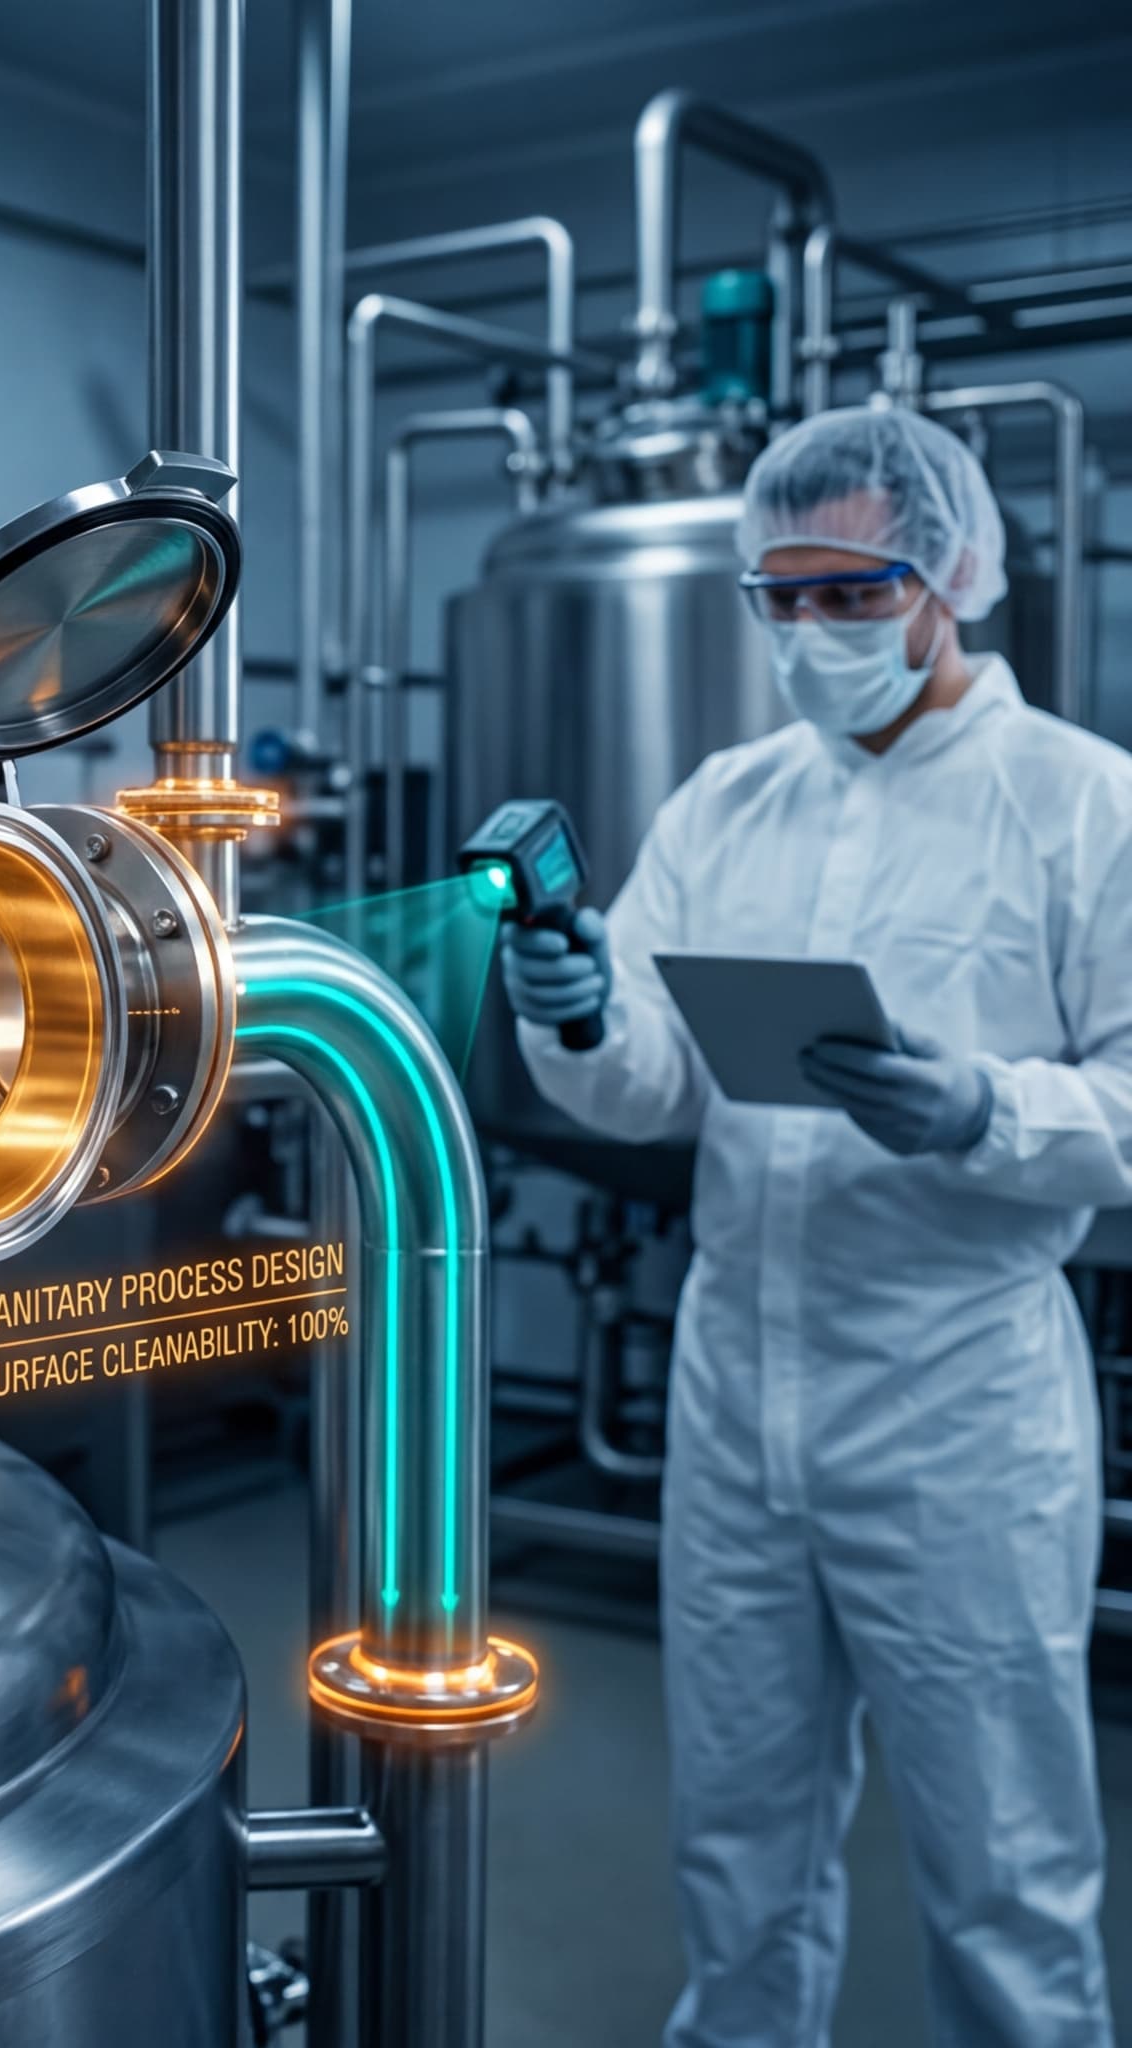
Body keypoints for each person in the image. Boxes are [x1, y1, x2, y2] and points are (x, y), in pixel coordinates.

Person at [501, 404, 1124, 2046]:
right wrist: (580, 1012)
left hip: (959, 1414)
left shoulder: (1085, 806)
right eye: (781, 596)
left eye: (853, 592)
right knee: (738, 1837)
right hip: (735, 1399)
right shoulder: (729, 801)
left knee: (1005, 1866)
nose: (812, 630)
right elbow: (653, 1083)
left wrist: (981, 1109)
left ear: (952, 577)